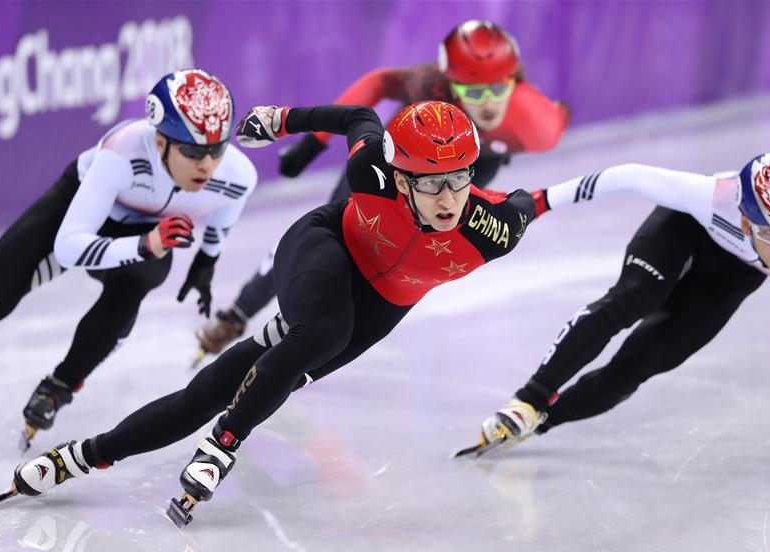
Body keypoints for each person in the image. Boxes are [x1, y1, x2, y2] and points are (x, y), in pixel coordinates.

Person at [0, 100, 549, 526]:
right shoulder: (371, 171)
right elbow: (357, 115)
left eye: (459, 180)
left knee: (220, 386)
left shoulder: (494, 227)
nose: (449, 199)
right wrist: (284, 120)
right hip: (326, 249)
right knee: (325, 331)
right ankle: (224, 444)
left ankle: (83, 455)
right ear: (401, 177)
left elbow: (541, 199)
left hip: (383, 304)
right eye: (431, 184)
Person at [193, 20, 569, 361]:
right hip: (404, 157)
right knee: (339, 226)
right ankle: (240, 312)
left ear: (514, 83)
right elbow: (375, 85)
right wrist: (314, 142)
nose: (486, 104)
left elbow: (558, 116)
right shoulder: (428, 84)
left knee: (413, 233)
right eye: (472, 90)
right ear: (449, 82)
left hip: (476, 160)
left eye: (496, 89)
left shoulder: (537, 124)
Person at [0, 69, 258, 448]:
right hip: (76, 211)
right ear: (160, 141)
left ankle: (59, 386)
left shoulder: (238, 175)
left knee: (138, 281)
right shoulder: (122, 152)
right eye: (191, 151)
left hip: (142, 232)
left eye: (217, 149)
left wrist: (206, 262)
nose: (206, 165)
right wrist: (145, 244)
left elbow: (227, 207)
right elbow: (70, 245)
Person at [459, 152, 770, 458]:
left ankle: (538, 422)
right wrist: (540, 202)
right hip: (686, 227)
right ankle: (529, 398)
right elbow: (628, 175)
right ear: (744, 218)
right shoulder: (709, 197)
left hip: (733, 275)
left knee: (647, 360)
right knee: (635, 297)